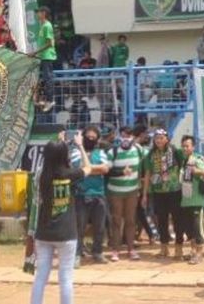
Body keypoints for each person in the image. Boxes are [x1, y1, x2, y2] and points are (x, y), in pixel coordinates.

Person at [30, 135, 104, 304]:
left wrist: (58, 144)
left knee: (41, 276)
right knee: (65, 278)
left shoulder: (41, 176)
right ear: (65, 155)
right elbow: (88, 168)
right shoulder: (71, 174)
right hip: (66, 233)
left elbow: (49, 161)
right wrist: (80, 146)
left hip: (44, 232)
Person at [141, 128, 186, 259]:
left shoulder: (176, 151)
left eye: (161, 138)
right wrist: (144, 194)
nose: (159, 140)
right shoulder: (150, 155)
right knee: (161, 220)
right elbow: (148, 174)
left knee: (177, 220)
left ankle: (179, 249)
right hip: (159, 192)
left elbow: (185, 164)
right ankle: (164, 248)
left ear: (167, 139)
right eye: (156, 138)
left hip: (175, 191)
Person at [72, 126, 111, 265]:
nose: (90, 139)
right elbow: (78, 167)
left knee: (99, 227)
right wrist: (95, 168)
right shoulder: (75, 152)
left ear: (98, 139)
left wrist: (88, 169)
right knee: (79, 227)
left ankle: (98, 252)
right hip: (81, 194)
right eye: (88, 137)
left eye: (93, 137)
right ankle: (76, 255)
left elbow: (105, 168)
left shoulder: (100, 152)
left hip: (98, 194)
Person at [107, 126, 143, 262]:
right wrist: (122, 172)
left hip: (132, 192)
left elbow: (151, 158)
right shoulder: (112, 152)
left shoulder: (138, 150)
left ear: (133, 137)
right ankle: (115, 250)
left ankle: (131, 249)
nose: (125, 138)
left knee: (130, 221)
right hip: (115, 192)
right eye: (123, 135)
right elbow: (107, 171)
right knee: (116, 221)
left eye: (128, 136)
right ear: (118, 137)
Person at [179, 135, 204, 265]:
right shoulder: (183, 160)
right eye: (184, 146)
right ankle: (192, 252)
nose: (185, 148)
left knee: (198, 228)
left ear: (193, 147)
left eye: (188, 146)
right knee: (189, 228)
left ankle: (199, 254)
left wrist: (195, 170)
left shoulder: (196, 159)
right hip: (186, 201)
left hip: (197, 201)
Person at [29, 6, 57, 113]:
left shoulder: (47, 26)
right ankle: (41, 99)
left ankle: (50, 100)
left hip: (47, 56)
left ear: (44, 13)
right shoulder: (42, 26)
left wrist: (35, 53)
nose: (37, 14)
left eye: (39, 12)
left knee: (47, 78)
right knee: (41, 78)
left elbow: (49, 44)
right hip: (42, 56)